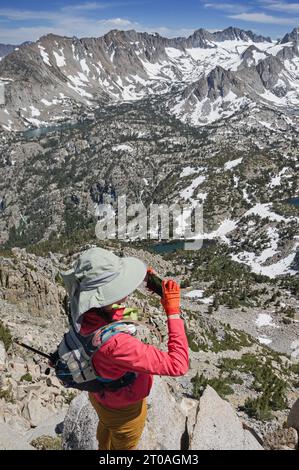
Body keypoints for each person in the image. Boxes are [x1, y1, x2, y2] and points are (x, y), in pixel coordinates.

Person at [60, 246, 189, 450]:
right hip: (124, 409)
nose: (125, 290)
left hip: (100, 397)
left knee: (105, 429)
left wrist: (144, 281)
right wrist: (173, 313)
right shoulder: (118, 345)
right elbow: (178, 365)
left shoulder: (79, 305)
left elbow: (115, 316)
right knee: (124, 447)